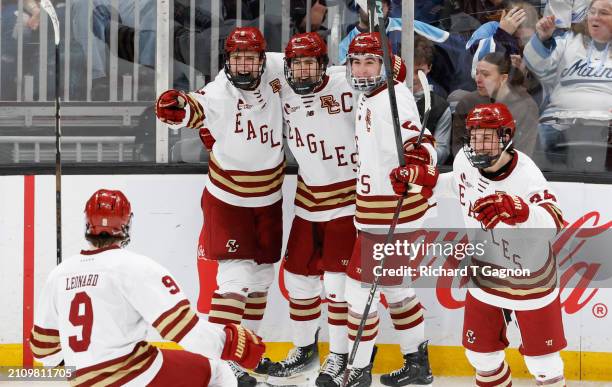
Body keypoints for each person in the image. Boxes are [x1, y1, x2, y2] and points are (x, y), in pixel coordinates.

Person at [390, 103, 567, 387]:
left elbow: (554, 220)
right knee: (481, 357)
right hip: (485, 275)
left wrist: (518, 209)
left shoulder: (527, 175)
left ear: (507, 136)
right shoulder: (464, 160)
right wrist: (420, 181)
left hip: (530, 279)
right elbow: (456, 184)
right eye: (474, 136)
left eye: (488, 136)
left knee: (543, 364)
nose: (479, 144)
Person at [30, 189, 266, 387]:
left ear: (86, 224)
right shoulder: (134, 267)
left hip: (80, 380)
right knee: (217, 370)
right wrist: (233, 345)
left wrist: (84, 368)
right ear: (127, 224)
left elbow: (43, 351)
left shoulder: (59, 274)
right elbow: (186, 332)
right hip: (134, 374)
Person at [155, 26, 285, 386]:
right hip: (229, 202)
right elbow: (190, 108)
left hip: (269, 200)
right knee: (234, 281)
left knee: (260, 280)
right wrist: (175, 106)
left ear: (262, 58)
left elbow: (315, 68)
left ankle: (244, 358)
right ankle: (219, 365)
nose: (243, 65)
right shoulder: (218, 93)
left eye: (250, 58)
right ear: (227, 60)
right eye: (237, 58)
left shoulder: (277, 68)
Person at [264, 32, 357, 386]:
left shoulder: (346, 81)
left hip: (349, 200)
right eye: (297, 63)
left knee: (337, 285)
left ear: (324, 64)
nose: (303, 70)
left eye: (310, 63)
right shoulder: (282, 83)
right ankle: (304, 350)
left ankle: (340, 356)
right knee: (297, 279)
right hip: (309, 199)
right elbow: (251, 57)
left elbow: (385, 82)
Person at [343, 32, 435, 387]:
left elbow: (424, 147)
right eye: (356, 62)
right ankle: (417, 364)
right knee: (396, 290)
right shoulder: (370, 96)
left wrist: (415, 165)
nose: (362, 69)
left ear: (384, 65)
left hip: (392, 216)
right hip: (377, 214)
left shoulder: (393, 98)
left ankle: (359, 370)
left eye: (370, 61)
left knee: (357, 294)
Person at [523, 0, 612, 165]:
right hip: (558, 122)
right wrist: (543, 38)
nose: (595, 18)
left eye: (604, 13)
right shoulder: (569, 40)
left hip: (606, 126)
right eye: (592, 12)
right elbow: (537, 66)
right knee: (534, 142)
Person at [452, 52, 539, 158]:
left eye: (485, 74)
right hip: (473, 167)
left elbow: (523, 151)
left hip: (511, 169)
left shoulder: (525, 107)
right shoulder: (468, 102)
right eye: (477, 73)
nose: (478, 79)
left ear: (503, 78)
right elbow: (458, 147)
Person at [413, 35, 452, 165]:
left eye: (419, 71)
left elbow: (442, 150)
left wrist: (418, 156)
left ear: (429, 67)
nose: (413, 78)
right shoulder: (387, 97)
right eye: (409, 70)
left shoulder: (440, 107)